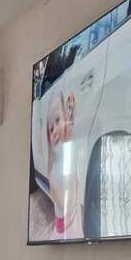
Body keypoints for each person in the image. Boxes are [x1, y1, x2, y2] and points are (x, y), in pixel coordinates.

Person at [46, 89, 82, 238]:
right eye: (50, 129)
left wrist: (71, 109)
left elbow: (70, 127)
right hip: (65, 228)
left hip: (73, 219)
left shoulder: (67, 148)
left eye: (57, 120)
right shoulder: (54, 171)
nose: (54, 131)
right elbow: (65, 203)